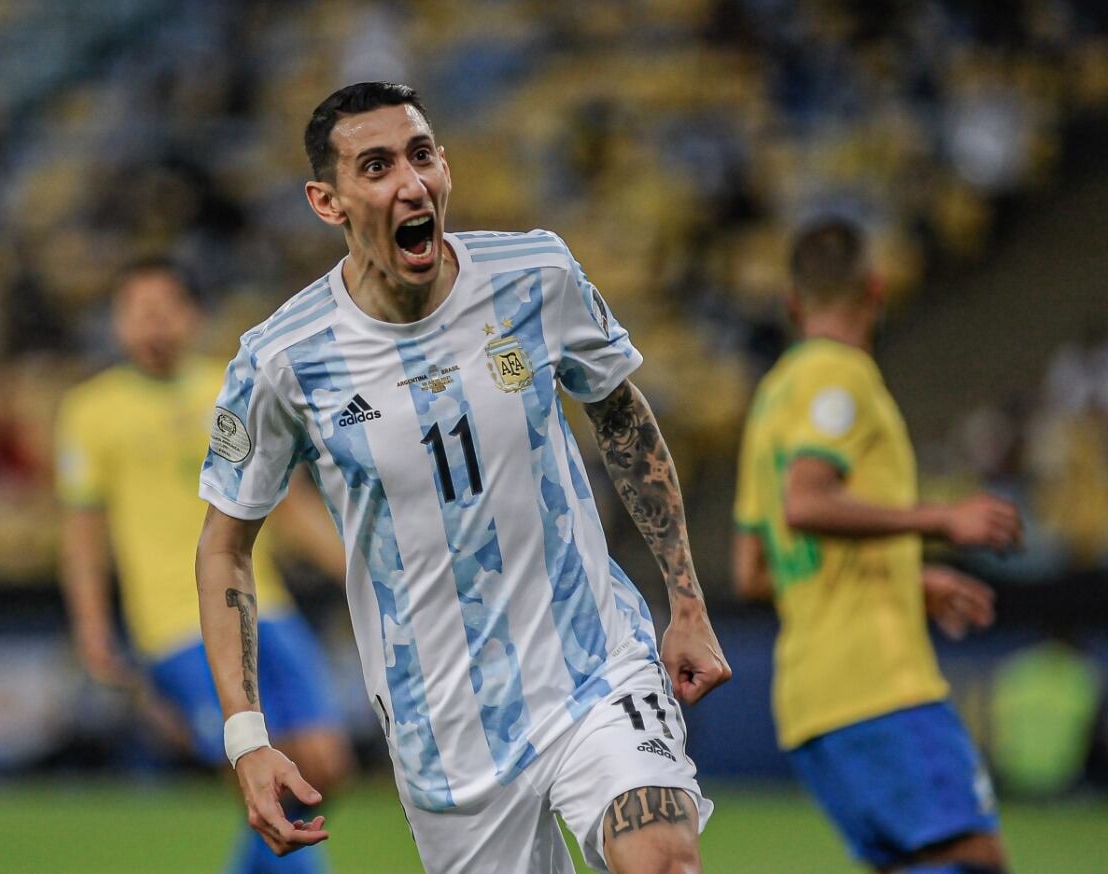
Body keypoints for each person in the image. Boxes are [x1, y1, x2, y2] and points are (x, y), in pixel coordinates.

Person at [195, 82, 731, 874]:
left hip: (594, 665)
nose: (410, 183)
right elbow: (224, 549)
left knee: (663, 857)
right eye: (376, 167)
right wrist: (248, 738)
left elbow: (622, 421)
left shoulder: (535, 277)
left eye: (421, 155)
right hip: (443, 729)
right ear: (327, 201)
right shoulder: (282, 361)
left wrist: (686, 600)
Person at [732, 218, 1024, 874]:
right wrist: (940, 520)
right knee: (974, 856)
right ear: (876, 289)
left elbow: (753, 572)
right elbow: (806, 501)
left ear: (792, 301)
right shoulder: (842, 379)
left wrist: (910, 580)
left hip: (808, 702)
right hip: (876, 682)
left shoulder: (770, 402)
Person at [56, 259, 353, 874]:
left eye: (165, 309)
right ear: (118, 324)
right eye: (137, 312)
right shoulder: (91, 411)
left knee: (328, 764)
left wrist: (359, 570)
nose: (152, 324)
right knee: (271, 775)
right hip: (173, 625)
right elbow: (82, 537)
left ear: (192, 317)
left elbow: (290, 504)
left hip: (262, 604)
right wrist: (90, 629)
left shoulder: (230, 389)